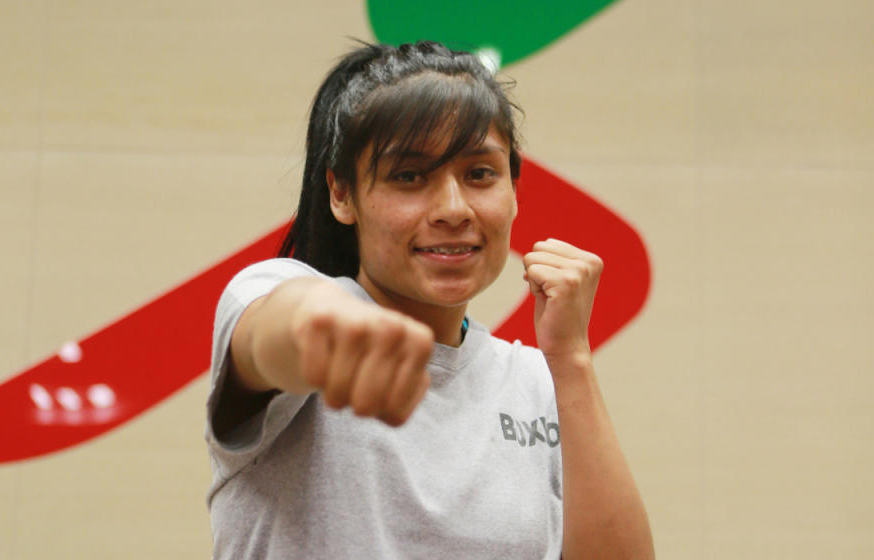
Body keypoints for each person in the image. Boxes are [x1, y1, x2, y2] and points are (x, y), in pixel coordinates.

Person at [205, 40, 654, 559]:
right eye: (409, 176)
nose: (453, 208)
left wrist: (572, 361)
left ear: (515, 191)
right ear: (341, 194)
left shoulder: (536, 380)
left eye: (480, 174)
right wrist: (329, 332)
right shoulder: (275, 290)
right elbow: (274, 334)